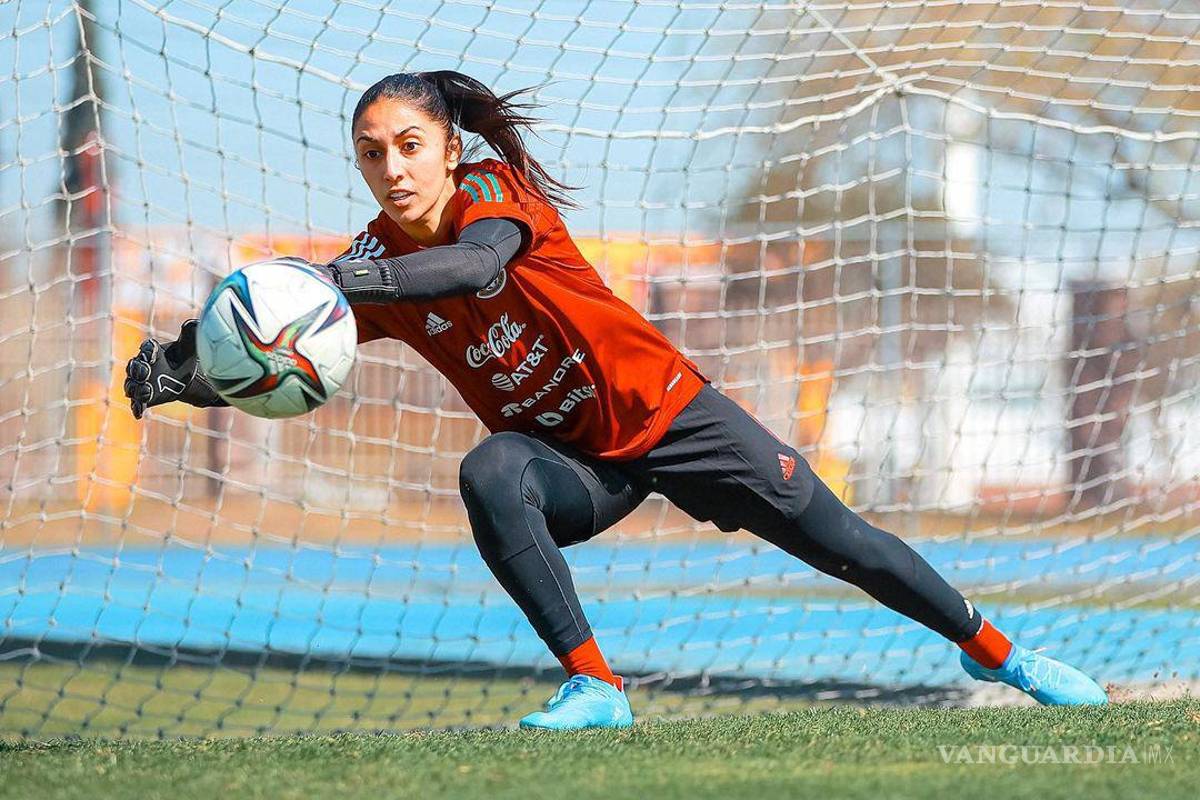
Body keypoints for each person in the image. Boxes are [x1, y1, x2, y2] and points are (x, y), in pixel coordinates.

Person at [123, 71, 1109, 731]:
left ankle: (1001, 654)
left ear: (449, 146)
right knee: (490, 468)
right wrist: (182, 374)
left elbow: (474, 267)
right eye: (373, 153)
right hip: (579, 467)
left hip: (673, 416)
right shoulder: (370, 263)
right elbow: (282, 345)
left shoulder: (494, 193)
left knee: (846, 542)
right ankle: (596, 682)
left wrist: (350, 281)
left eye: (410, 145)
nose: (394, 168)